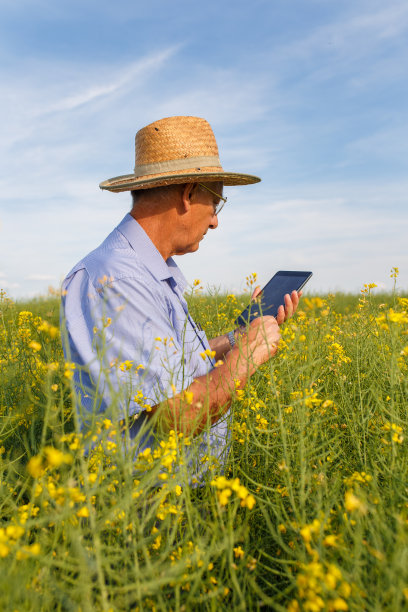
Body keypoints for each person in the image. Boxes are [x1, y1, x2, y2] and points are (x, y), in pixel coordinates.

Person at [61, 115, 300, 464]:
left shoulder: (148, 273)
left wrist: (238, 338)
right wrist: (247, 356)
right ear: (188, 195)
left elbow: (177, 369)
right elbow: (178, 416)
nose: (215, 221)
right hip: (147, 511)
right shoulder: (120, 280)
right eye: (215, 204)